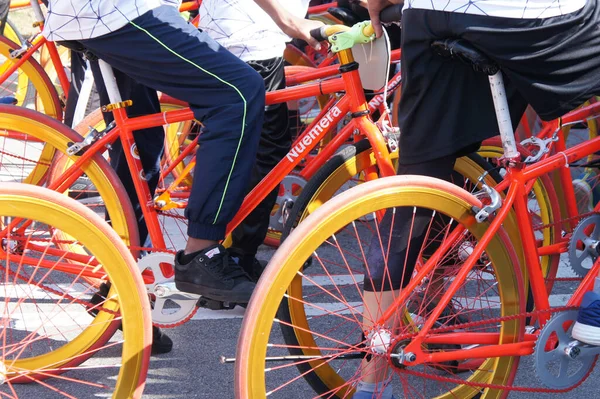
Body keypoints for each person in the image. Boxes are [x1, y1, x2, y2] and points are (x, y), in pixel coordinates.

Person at [345, 0, 600, 397]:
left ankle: (371, 382)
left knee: (416, 192)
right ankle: (597, 305)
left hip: (431, 13)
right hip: (529, 18)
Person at [43, 0, 322, 351]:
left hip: (92, 12)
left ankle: (117, 290)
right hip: (118, 9)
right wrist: (285, 17)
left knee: (140, 146)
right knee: (237, 94)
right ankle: (201, 253)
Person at [198, 0, 310, 279]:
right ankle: (237, 258)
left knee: (241, 149)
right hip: (252, 38)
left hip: (238, 32)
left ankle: (224, 254)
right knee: (265, 153)